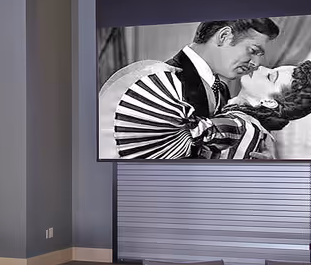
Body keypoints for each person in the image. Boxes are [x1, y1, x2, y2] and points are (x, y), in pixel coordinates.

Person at [98, 19, 280, 160]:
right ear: (224, 36)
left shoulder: (222, 90)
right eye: (253, 51)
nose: (256, 64)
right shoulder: (162, 84)